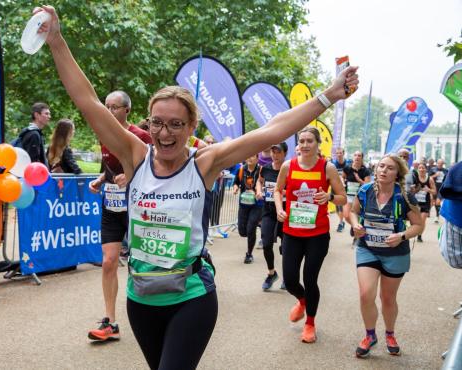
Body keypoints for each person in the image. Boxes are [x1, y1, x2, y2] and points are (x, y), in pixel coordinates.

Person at [37, 6, 358, 366]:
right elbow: (88, 101)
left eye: (176, 124)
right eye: (157, 122)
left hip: (191, 296)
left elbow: (274, 128)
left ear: (192, 127)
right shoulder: (135, 155)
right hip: (141, 297)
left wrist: (328, 96)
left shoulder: (204, 163)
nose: (164, 133)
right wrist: (56, 40)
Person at [86, 90, 152, 342]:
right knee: (109, 261)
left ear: (127, 110)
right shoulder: (104, 135)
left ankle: (152, 314)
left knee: (142, 263)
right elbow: (109, 166)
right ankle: (110, 322)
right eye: (106, 106)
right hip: (112, 207)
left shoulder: (141, 136)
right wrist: (102, 179)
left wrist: (132, 174)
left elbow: (157, 168)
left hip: (138, 208)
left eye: (115, 107)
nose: (109, 111)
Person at [274, 127, 347, 343]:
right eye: (302, 141)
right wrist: (280, 207)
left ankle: (310, 323)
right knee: (289, 279)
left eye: (309, 141)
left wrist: (330, 197)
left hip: (317, 234)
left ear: (318, 144)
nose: (305, 145)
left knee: (310, 278)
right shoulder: (288, 166)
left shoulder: (328, 168)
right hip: (292, 231)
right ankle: (302, 300)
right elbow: (278, 190)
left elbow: (343, 198)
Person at [349, 154, 423, 358]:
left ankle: (390, 334)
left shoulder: (405, 197)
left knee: (387, 298)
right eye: (381, 166)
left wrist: (401, 235)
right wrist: (355, 224)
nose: (383, 170)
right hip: (368, 248)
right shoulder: (365, 191)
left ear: (397, 173)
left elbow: (418, 225)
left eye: (389, 168)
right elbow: (352, 212)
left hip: (395, 253)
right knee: (366, 294)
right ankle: (370, 335)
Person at [256, 142, 287, 290]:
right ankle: (271, 273)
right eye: (273, 152)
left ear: (285, 154)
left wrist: (282, 192)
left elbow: (296, 189)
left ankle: (287, 277)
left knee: (286, 247)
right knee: (266, 243)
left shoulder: (289, 169)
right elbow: (259, 181)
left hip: (285, 213)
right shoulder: (266, 168)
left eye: (278, 152)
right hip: (268, 211)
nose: (275, 155)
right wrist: (259, 190)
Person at [232, 154, 263, 264]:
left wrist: (259, 192)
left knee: (250, 229)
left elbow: (265, 184)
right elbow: (236, 182)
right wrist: (235, 189)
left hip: (257, 205)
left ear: (257, 158)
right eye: (248, 156)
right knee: (242, 231)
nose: (249, 158)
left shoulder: (261, 170)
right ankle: (260, 224)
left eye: (252, 156)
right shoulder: (241, 169)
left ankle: (249, 254)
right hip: (244, 204)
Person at [343, 151, 371, 239]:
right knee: (347, 216)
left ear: (362, 158)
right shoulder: (347, 168)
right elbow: (342, 177)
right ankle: (355, 225)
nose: (357, 157)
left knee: (356, 214)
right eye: (355, 155)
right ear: (353, 157)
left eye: (359, 156)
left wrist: (359, 180)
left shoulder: (365, 170)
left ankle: (357, 236)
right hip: (349, 195)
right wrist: (342, 181)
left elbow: (367, 185)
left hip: (359, 197)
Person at [411, 162, 435, 242]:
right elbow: (410, 190)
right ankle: (414, 231)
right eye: (420, 168)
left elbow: (434, 191)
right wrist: (414, 190)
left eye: (423, 168)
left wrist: (428, 190)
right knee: (414, 220)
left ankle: (419, 235)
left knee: (422, 220)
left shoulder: (430, 179)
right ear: (417, 170)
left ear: (426, 169)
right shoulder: (414, 178)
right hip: (415, 203)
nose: (421, 169)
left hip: (425, 203)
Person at [331, 147, 351, 232]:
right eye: (337, 153)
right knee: (337, 207)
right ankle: (341, 221)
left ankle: (341, 222)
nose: (339, 155)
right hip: (334, 187)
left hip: (344, 187)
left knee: (341, 206)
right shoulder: (333, 164)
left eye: (340, 153)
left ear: (343, 153)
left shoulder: (348, 164)